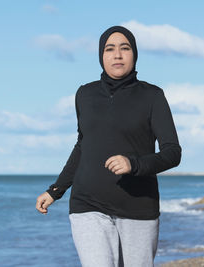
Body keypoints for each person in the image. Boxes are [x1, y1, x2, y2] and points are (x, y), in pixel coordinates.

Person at [36, 25, 181, 267]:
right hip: (87, 204)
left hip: (138, 207)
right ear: (101, 56)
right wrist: (55, 191)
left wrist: (133, 164)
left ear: (134, 54)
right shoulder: (85, 94)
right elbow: (83, 146)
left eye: (125, 48)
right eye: (109, 49)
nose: (117, 55)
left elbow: (172, 153)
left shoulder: (152, 96)